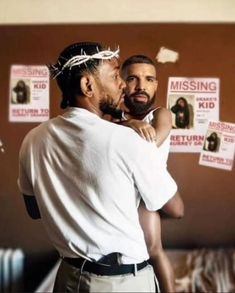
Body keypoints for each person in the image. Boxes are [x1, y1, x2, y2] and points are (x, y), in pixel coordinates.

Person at [18, 42, 179, 293]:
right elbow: (172, 206)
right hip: (122, 282)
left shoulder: (33, 140)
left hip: (69, 279)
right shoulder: (126, 140)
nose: (123, 84)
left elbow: (34, 210)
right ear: (87, 85)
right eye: (116, 76)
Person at [119, 55, 184, 292]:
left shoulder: (161, 114)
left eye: (149, 79)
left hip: (155, 188)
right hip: (131, 194)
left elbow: (152, 142)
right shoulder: (112, 120)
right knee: (150, 249)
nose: (141, 86)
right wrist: (129, 124)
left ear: (156, 85)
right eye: (133, 78)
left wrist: (132, 125)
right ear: (121, 82)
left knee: (156, 248)